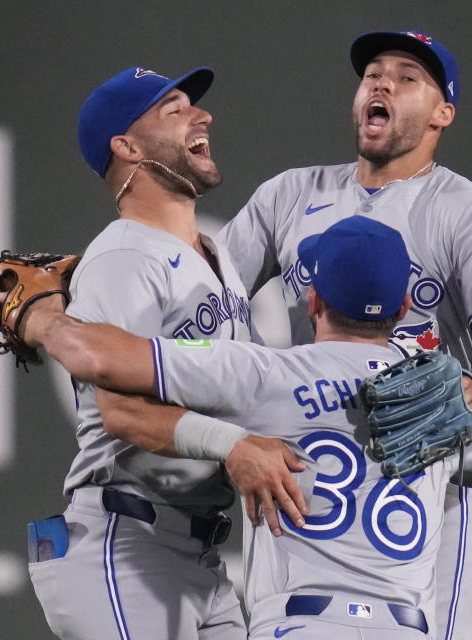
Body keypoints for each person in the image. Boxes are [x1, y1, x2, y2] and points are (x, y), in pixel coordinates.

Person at [8, 216, 472, 640]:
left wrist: (48, 318)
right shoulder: (442, 396)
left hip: (299, 625)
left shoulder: (266, 375)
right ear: (403, 306)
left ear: (314, 300)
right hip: (405, 628)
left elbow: (110, 363)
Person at [216, 30, 472, 639]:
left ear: (441, 113)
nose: (382, 82)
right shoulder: (291, 195)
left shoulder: (468, 210)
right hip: (310, 467)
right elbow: (203, 292)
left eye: (407, 77)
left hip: (434, 472)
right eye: (374, 72)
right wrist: (108, 276)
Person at [25, 65, 307, 640]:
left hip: (196, 555)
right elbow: (121, 413)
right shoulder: (123, 257)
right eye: (173, 110)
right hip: (124, 548)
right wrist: (234, 447)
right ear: (127, 147)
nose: (201, 116)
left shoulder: (216, 256)